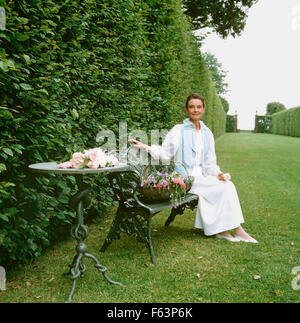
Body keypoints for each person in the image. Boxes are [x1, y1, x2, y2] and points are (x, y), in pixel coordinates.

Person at [128, 93, 258, 243]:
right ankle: (230, 230)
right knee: (225, 188)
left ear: (203, 109)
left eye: (198, 107)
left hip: (201, 177)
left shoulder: (207, 132)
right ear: (187, 110)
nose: (195, 110)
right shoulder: (178, 130)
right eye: (191, 107)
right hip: (184, 180)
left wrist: (218, 173)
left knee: (227, 184)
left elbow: (210, 163)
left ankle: (230, 230)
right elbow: (164, 154)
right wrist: (146, 147)